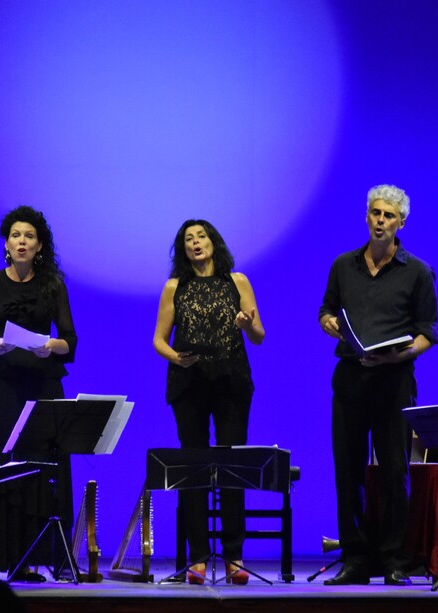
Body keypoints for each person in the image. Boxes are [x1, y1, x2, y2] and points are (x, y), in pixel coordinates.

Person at [318, 184, 438, 586]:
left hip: (393, 380)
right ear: (367, 217)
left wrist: (398, 356)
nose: (380, 221)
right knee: (347, 470)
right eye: (375, 214)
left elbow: (427, 333)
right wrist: (330, 325)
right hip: (351, 377)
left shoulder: (418, 271)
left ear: (401, 222)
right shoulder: (343, 265)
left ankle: (392, 559)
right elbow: (325, 311)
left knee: (393, 473)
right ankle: (355, 557)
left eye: (388, 215)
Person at [0, 205, 77, 581]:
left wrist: (51, 345)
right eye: (15, 235)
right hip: (2, 387)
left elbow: (70, 340)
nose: (22, 241)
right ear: (7, 244)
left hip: (42, 385)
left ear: (39, 245)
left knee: (39, 467)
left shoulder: (53, 286)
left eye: (29, 236)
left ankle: (29, 559)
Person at [152, 219, 265, 585]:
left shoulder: (238, 281)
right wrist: (175, 357)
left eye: (201, 236)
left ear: (214, 242)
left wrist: (245, 323)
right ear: (183, 249)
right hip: (189, 383)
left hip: (231, 381)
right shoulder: (175, 286)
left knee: (231, 465)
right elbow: (159, 340)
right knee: (195, 467)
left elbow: (259, 335)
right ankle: (199, 558)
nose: (196, 242)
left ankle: (234, 556)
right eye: (188, 239)